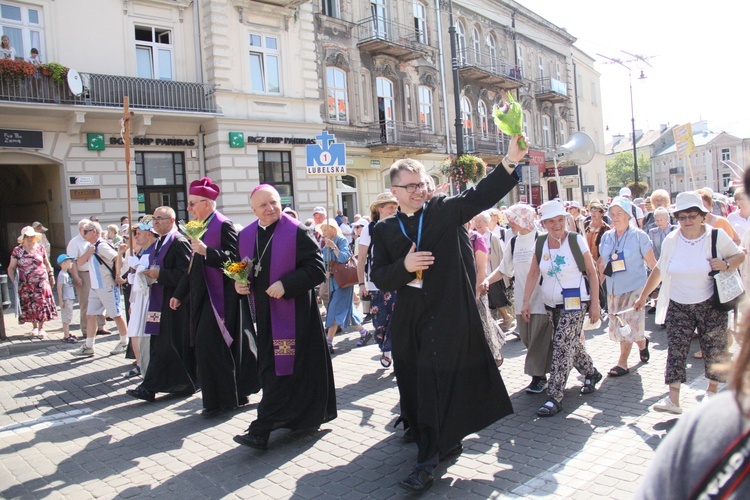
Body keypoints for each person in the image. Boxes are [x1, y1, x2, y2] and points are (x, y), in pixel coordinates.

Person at [370, 136, 525, 492]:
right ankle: (445, 437)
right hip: (412, 321)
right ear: (393, 191)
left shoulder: (442, 210)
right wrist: (406, 267)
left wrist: (510, 162)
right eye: (409, 186)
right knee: (421, 385)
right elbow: (380, 276)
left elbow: (479, 196)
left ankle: (426, 462)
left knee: (435, 384)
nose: (417, 191)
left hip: (450, 315)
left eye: (421, 183)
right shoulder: (384, 229)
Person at [233, 185, 336, 451]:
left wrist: (286, 284)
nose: (270, 209)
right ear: (253, 209)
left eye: (274, 202)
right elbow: (241, 267)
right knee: (276, 369)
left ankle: (261, 430)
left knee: (280, 370)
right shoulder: (245, 235)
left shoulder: (297, 231)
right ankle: (299, 417)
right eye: (263, 205)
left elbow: (315, 270)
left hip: (296, 315)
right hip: (264, 315)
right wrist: (238, 283)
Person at [633, 191, 744, 414]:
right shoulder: (672, 240)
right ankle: (674, 400)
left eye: (692, 216)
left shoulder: (716, 236)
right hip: (679, 303)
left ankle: (712, 391)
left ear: (703, 215)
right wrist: (644, 295)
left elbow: (739, 255)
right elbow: (659, 269)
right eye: (682, 217)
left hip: (710, 302)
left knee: (714, 348)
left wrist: (725, 264)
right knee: (676, 349)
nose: (687, 221)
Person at [171, 177, 252, 416]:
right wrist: (179, 294)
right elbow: (192, 267)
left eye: (193, 203)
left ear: (207, 203)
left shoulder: (223, 224)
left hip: (221, 299)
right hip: (201, 297)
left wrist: (209, 252)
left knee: (214, 348)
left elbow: (236, 263)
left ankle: (225, 399)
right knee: (207, 349)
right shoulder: (200, 226)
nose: (189, 208)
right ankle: (219, 398)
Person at [521, 200, 603, 418]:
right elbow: (532, 274)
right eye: (551, 221)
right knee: (570, 342)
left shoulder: (575, 240)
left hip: (576, 301)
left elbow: (592, 273)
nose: (557, 225)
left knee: (561, 345)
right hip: (551, 302)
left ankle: (554, 396)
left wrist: (595, 304)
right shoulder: (540, 243)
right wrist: (525, 302)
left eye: (560, 220)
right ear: (544, 223)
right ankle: (591, 373)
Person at [127, 207, 197, 402]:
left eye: (160, 218)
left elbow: (186, 274)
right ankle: (182, 383)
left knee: (166, 346)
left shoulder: (179, 242)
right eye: (154, 219)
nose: (155, 222)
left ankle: (149, 387)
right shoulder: (160, 243)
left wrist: (160, 275)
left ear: (172, 219)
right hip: (159, 299)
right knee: (162, 345)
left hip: (174, 302)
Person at [484, 204, 553, 394]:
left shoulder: (542, 239)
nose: (509, 223)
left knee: (538, 340)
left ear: (523, 219)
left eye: (512, 219)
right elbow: (504, 269)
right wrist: (486, 281)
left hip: (542, 299)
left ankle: (538, 378)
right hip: (522, 300)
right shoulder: (514, 241)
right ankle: (550, 371)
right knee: (527, 338)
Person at [597, 196, 657, 377]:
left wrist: (654, 290)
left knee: (628, 323)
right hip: (614, 288)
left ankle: (622, 363)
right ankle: (642, 342)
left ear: (628, 215)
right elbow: (601, 264)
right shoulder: (607, 237)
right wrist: (596, 290)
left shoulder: (639, 236)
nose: (615, 217)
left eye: (619, 214)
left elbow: (653, 264)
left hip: (635, 288)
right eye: (612, 214)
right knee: (624, 327)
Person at [70, 220, 128, 357]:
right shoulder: (91, 246)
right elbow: (79, 263)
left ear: (93, 232)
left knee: (116, 314)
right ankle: (89, 345)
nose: (83, 234)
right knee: (90, 315)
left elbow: (116, 258)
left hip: (106, 285)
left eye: (85, 232)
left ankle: (124, 341)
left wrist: (118, 275)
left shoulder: (101, 246)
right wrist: (88, 252)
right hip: (95, 287)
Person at [358, 192, 399, 367]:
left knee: (398, 319)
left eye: (396, 207)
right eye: (390, 207)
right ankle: (386, 349)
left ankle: (394, 353)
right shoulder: (370, 228)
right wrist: (361, 284)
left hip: (398, 280)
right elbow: (361, 259)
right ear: (380, 209)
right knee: (381, 321)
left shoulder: (400, 225)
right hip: (376, 283)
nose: (394, 210)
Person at [317, 218, 369, 353]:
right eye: (322, 230)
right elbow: (326, 264)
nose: (324, 233)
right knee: (349, 311)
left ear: (334, 229)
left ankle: (328, 343)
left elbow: (344, 258)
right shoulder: (324, 247)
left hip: (343, 282)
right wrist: (326, 272)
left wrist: (334, 247)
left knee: (333, 310)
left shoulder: (341, 241)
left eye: (326, 229)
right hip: (333, 282)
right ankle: (364, 333)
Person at [7, 226, 57, 339]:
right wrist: (14, 282)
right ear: (23, 238)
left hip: (41, 282)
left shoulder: (40, 248)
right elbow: (11, 268)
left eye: (32, 236)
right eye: (28, 236)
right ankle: (34, 326)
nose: (30, 238)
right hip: (26, 284)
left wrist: (51, 275)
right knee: (30, 305)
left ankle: (42, 328)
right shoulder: (18, 250)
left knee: (42, 304)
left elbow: (47, 263)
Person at [469, 226, 505, 366]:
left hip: (477, 288)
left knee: (484, 322)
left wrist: (477, 292)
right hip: (461, 290)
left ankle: (495, 355)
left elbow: (482, 268)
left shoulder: (476, 239)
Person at [66, 219, 107, 338]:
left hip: (97, 272)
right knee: (85, 302)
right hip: (84, 273)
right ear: (80, 230)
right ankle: (85, 329)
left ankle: (101, 326)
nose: (86, 233)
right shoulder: (74, 242)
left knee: (101, 299)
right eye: (85, 230)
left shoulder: (95, 240)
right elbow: (72, 262)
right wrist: (75, 276)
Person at [56, 254, 78, 344]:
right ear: (64, 263)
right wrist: (61, 300)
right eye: (70, 262)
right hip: (66, 299)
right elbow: (59, 288)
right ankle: (66, 335)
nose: (71, 263)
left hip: (69, 298)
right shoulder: (62, 275)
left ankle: (67, 333)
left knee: (69, 316)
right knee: (66, 317)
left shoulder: (66, 274)